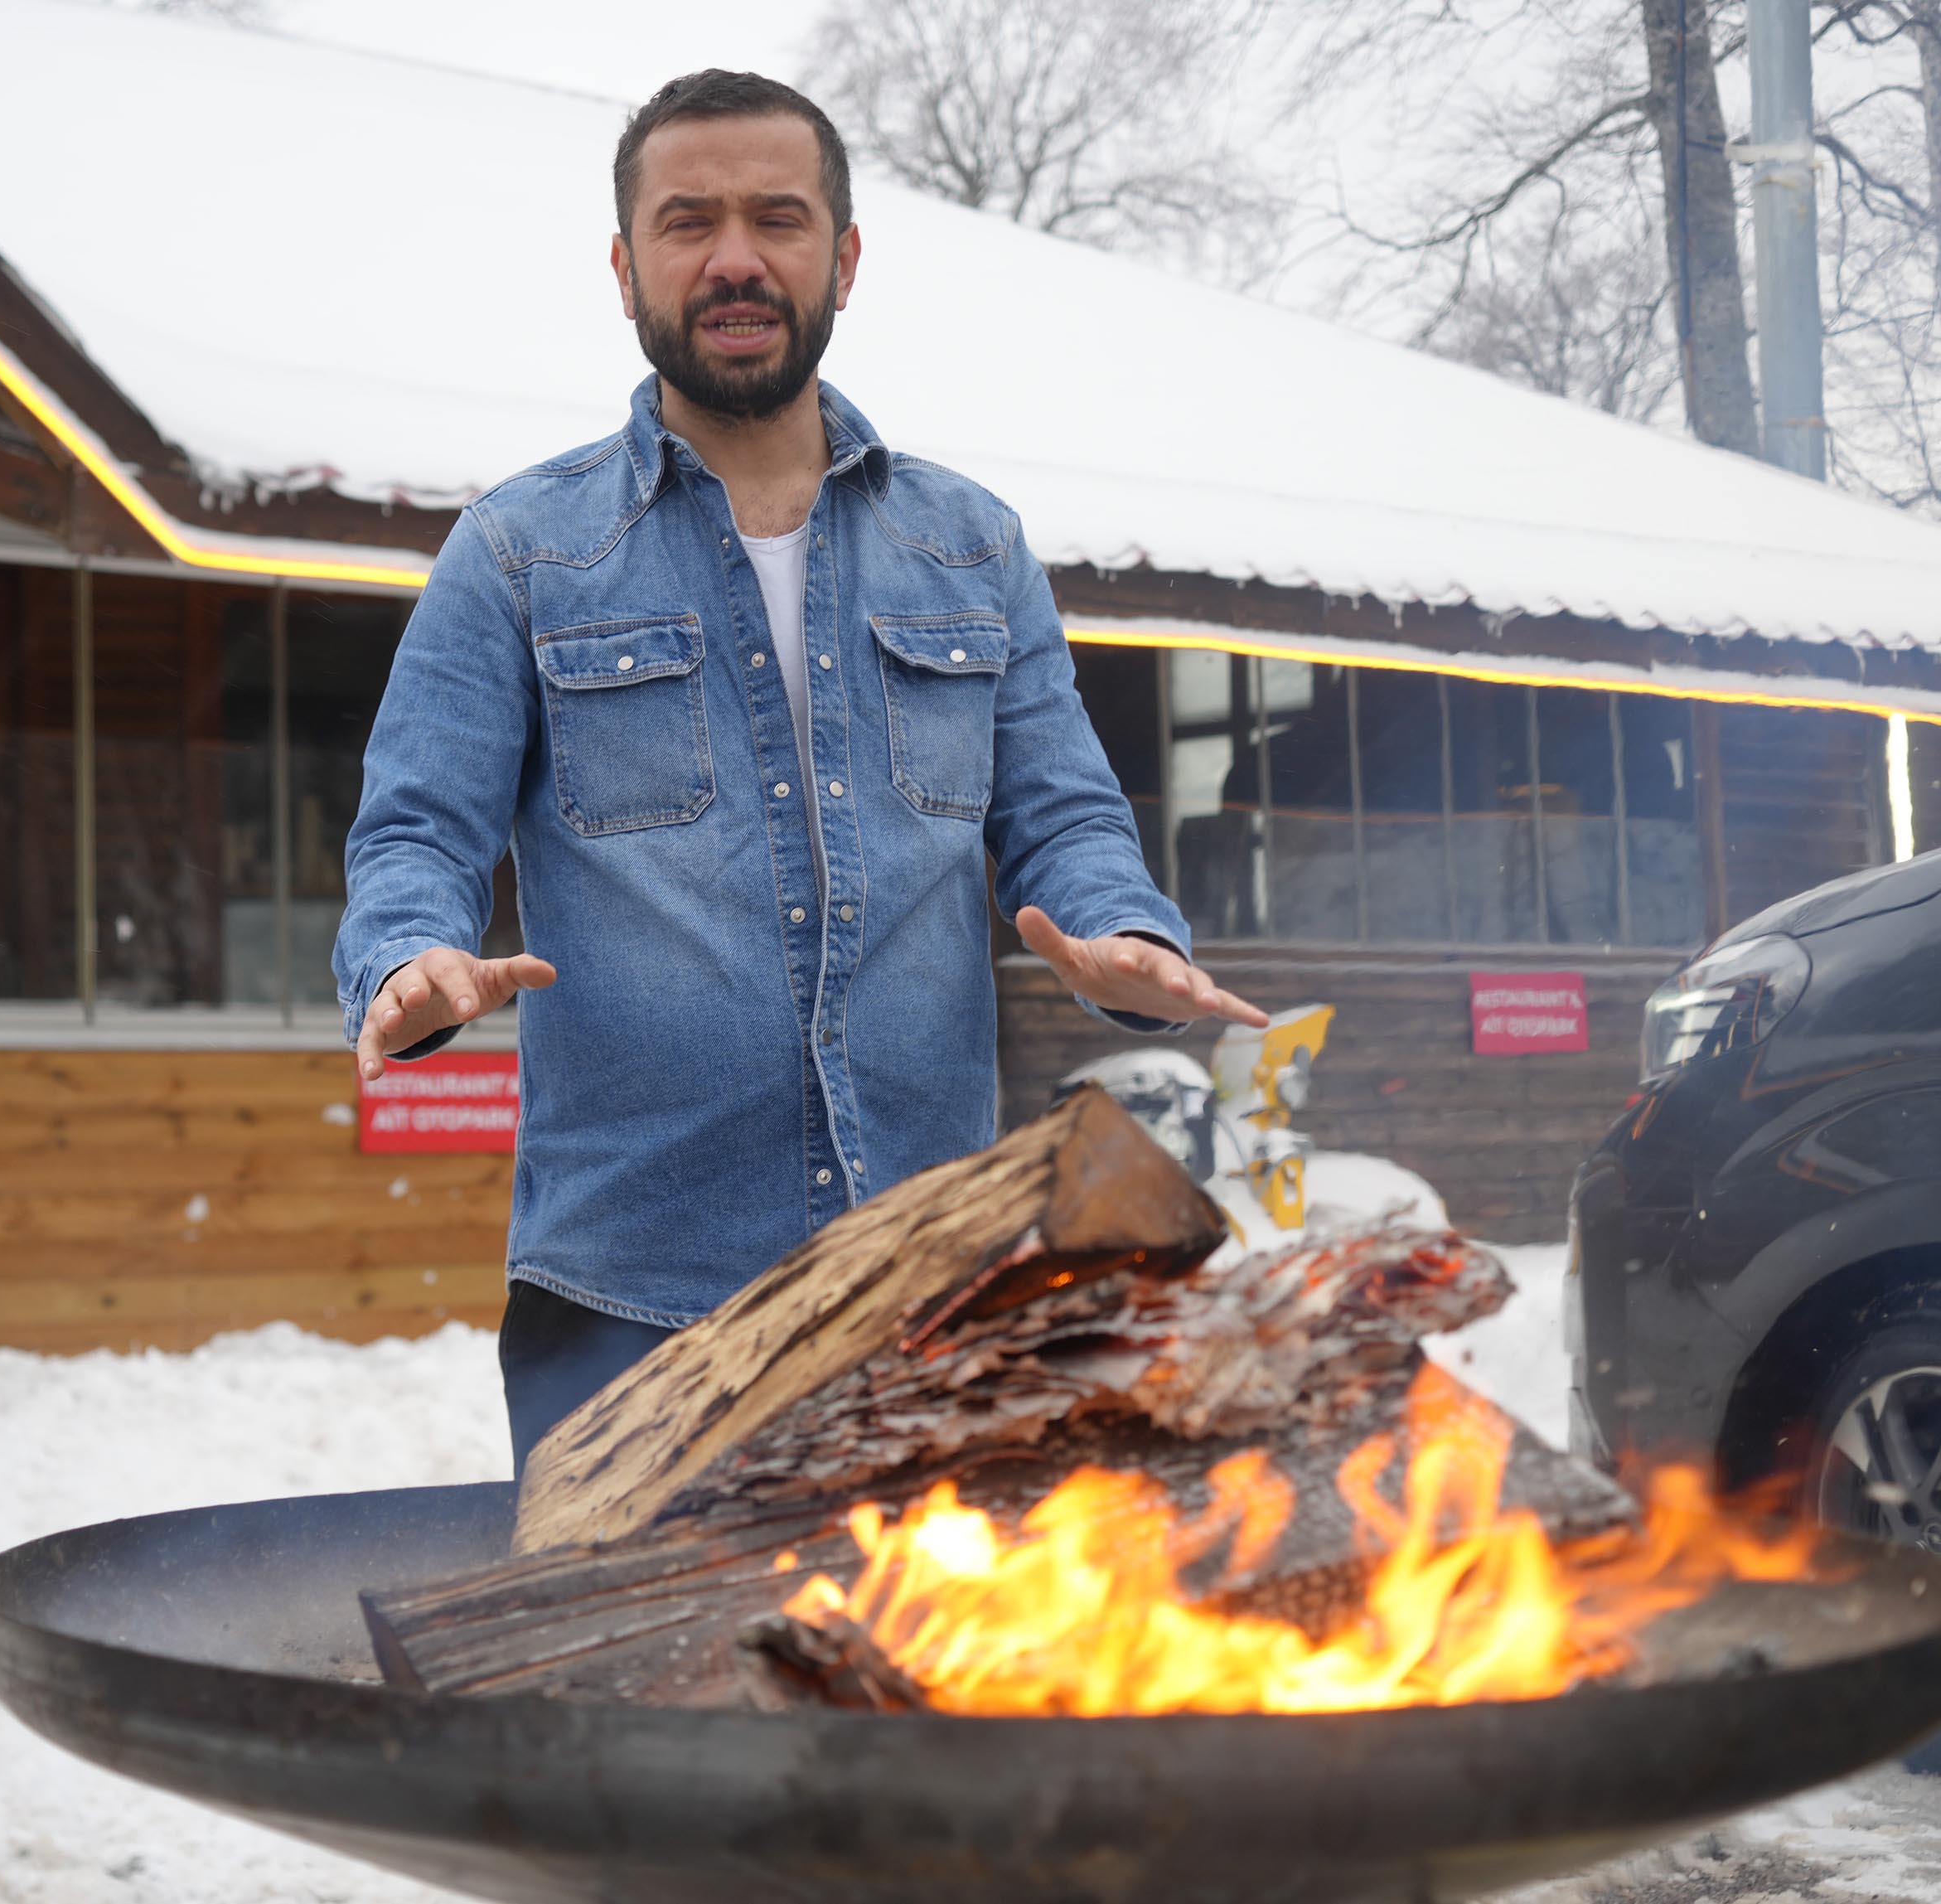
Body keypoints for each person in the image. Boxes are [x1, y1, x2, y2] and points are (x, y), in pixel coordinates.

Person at [335, 70, 1265, 1474]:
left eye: (777, 218)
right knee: (633, 1690)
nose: (733, 258)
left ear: (841, 258)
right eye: (686, 221)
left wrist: (1120, 934)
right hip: (629, 1307)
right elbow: (415, 829)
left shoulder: (973, 545)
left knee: (910, 1679)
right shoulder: (518, 553)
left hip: (930, 1278)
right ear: (623, 265)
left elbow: (1064, 813)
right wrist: (412, 954)